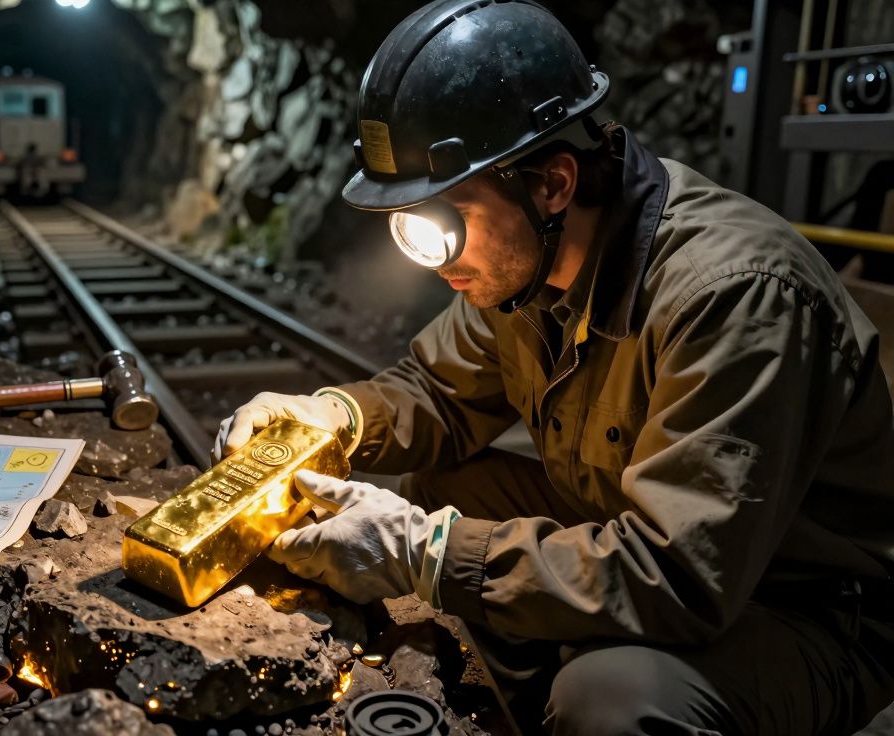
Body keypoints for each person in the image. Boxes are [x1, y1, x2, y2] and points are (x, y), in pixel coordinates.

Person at [212, 1, 894, 734]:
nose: (433, 258)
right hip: (638, 528)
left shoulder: (730, 296)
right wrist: (330, 416)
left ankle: (576, 696)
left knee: (609, 699)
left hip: (801, 602)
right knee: (446, 488)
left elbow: (679, 575)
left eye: (442, 219)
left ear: (553, 184)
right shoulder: (529, 264)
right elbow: (436, 391)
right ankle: (522, 705)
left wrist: (427, 553)